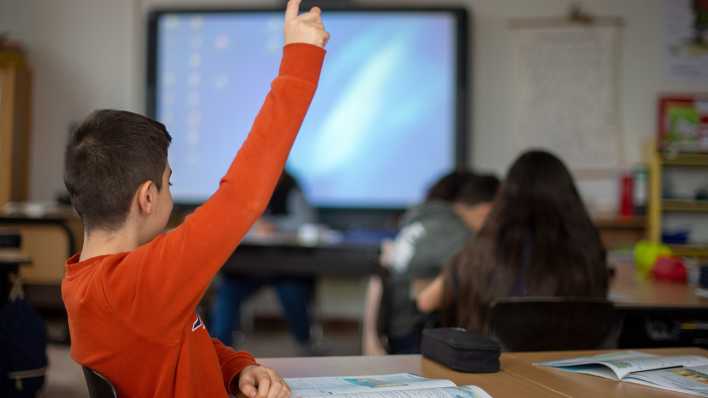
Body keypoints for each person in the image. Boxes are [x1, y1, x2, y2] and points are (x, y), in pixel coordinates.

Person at [60, 2, 329, 397]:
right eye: (170, 182)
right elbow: (242, 197)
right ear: (147, 197)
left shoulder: (93, 283)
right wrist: (301, 58)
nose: (172, 194)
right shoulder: (137, 285)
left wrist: (238, 368)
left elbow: (177, 346)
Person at [417, 150, 609, 334]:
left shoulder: (478, 251)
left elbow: (426, 302)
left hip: (489, 363)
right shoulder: (588, 251)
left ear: (503, 197)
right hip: (568, 363)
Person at [363, 171, 500, 354]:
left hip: (395, 328)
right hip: (419, 332)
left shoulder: (417, 222)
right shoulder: (452, 231)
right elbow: (474, 279)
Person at [209, 171, 319, 353]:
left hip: (287, 266)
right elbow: (230, 219)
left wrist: (274, 225)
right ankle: (219, 348)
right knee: (228, 288)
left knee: (292, 291)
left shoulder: (291, 189)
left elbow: (305, 221)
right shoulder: (246, 189)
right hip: (250, 266)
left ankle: (306, 343)